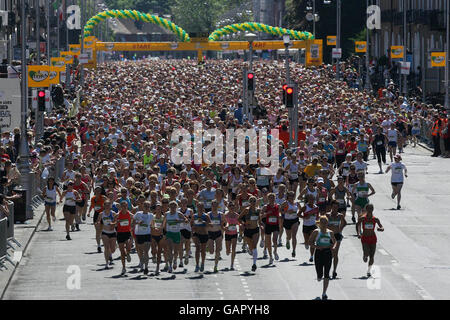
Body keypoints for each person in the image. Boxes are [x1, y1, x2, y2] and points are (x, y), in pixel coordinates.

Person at [308, 215, 337, 300]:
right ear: (319, 223)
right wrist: (317, 247)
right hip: (319, 253)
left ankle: (324, 293)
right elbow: (310, 242)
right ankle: (319, 276)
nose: (324, 224)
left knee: (327, 273)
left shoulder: (330, 232)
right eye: (322, 222)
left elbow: (334, 242)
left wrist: (334, 246)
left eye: (325, 222)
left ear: (327, 223)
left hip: (328, 253)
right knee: (320, 275)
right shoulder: (316, 232)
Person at [356, 204, 384, 277]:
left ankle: (368, 271)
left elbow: (382, 227)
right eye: (368, 209)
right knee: (366, 254)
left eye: (371, 209)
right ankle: (365, 255)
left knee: (372, 256)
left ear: (373, 209)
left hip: (373, 238)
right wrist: (358, 233)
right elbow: (357, 225)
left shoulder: (375, 219)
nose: (370, 210)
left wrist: (381, 229)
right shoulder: (362, 218)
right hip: (365, 238)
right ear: (366, 209)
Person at [164, 201, 188, 273]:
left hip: (177, 233)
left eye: (174, 206)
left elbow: (186, 220)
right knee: (169, 250)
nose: (173, 208)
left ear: (176, 207)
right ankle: (170, 266)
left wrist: (180, 221)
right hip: (169, 233)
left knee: (176, 251)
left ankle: (175, 260)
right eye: (171, 206)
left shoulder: (179, 214)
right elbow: (164, 223)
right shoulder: (166, 214)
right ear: (169, 207)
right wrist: (164, 231)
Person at [238, 196, 261, 271]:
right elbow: (239, 218)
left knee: (254, 246)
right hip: (247, 230)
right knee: (251, 247)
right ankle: (249, 248)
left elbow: (259, 221)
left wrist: (262, 225)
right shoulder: (246, 210)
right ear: (249, 202)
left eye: (254, 201)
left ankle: (254, 264)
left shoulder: (258, 210)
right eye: (251, 201)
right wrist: (244, 224)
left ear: (256, 202)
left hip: (255, 230)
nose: (253, 202)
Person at [326, 200, 347, 279]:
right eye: (333, 207)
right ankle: (327, 269)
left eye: (336, 207)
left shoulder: (340, 215)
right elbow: (323, 224)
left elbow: (345, 223)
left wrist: (340, 229)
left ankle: (334, 271)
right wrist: (329, 227)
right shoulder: (327, 215)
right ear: (331, 207)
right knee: (330, 254)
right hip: (329, 236)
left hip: (337, 236)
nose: (335, 208)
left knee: (335, 253)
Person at [132, 201, 153, 274]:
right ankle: (141, 261)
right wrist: (138, 223)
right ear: (142, 207)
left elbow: (153, 224)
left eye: (148, 206)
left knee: (146, 251)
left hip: (147, 234)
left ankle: (146, 267)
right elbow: (132, 223)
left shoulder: (151, 215)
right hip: (139, 234)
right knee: (140, 251)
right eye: (145, 206)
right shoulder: (138, 214)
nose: (147, 208)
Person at [96, 200, 117, 269]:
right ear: (104, 206)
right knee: (106, 247)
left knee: (113, 249)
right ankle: (106, 263)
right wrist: (98, 223)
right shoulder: (101, 214)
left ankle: (110, 253)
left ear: (111, 206)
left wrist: (113, 224)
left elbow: (116, 223)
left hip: (113, 232)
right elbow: (98, 221)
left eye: (109, 205)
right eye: (106, 205)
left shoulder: (113, 213)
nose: (107, 206)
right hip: (105, 232)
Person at [191, 202, 212, 272]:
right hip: (196, 234)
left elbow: (211, 225)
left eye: (201, 207)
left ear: (203, 208)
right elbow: (191, 225)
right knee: (197, 248)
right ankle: (197, 265)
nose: (200, 209)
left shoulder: (206, 216)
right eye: (198, 207)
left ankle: (202, 263)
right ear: (197, 208)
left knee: (203, 250)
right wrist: (193, 228)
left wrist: (204, 222)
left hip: (204, 234)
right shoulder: (194, 216)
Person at [261, 193, 281, 265]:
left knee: (275, 240)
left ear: (275, 198)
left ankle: (275, 251)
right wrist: (266, 213)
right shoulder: (265, 207)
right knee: (268, 242)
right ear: (268, 199)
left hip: (275, 225)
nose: (272, 199)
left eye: (273, 198)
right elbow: (260, 215)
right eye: (270, 198)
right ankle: (270, 257)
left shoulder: (278, 206)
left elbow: (281, 213)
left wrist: (280, 216)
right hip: (268, 225)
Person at [115, 200, 133, 275]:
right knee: (122, 252)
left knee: (128, 245)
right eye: (123, 206)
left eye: (126, 206)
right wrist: (116, 222)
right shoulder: (117, 215)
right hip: (120, 233)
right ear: (121, 207)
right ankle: (124, 267)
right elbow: (114, 223)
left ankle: (128, 253)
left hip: (127, 232)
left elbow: (135, 220)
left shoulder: (130, 214)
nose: (125, 207)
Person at [299, 194, 319, 262]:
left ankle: (311, 256)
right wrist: (304, 217)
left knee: (312, 241)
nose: (312, 201)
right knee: (307, 241)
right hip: (306, 226)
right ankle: (306, 243)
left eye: (313, 199)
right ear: (308, 200)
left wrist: (318, 221)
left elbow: (317, 217)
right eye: (310, 199)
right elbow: (298, 214)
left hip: (313, 225)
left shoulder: (316, 207)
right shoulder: (305, 207)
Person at [280, 191, 300, 257]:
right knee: (289, 236)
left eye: (292, 195)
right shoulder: (285, 203)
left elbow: (301, 210)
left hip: (295, 220)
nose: (291, 197)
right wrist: (287, 211)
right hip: (287, 221)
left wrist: (299, 214)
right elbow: (280, 210)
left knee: (294, 235)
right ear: (287, 197)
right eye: (290, 196)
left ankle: (294, 250)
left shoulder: (297, 203)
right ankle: (287, 240)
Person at [207, 200, 225, 273]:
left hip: (218, 233)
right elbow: (206, 224)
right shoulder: (208, 214)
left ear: (218, 206)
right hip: (210, 233)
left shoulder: (221, 215)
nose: (214, 207)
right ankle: (208, 247)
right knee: (211, 252)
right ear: (211, 206)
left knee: (217, 250)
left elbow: (224, 224)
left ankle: (216, 265)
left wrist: (223, 232)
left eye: (215, 206)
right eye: (213, 205)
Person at [88, 186, 107, 252]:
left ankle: (104, 243)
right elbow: (92, 205)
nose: (98, 192)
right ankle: (99, 246)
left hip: (103, 215)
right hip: (96, 215)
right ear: (95, 191)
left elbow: (108, 204)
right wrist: (89, 212)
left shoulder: (104, 198)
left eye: (99, 191)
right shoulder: (93, 198)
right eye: (97, 190)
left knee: (103, 231)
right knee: (98, 231)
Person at [150, 203, 165, 275]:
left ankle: (158, 268)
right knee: (153, 250)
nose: (158, 210)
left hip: (160, 235)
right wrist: (154, 228)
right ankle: (153, 255)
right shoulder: (152, 217)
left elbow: (164, 226)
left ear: (161, 209)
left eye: (160, 209)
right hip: (153, 235)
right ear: (155, 209)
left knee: (159, 252)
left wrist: (160, 229)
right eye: (157, 209)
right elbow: (151, 225)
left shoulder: (163, 217)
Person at [224, 201, 239, 270]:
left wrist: (241, 225)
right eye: (230, 206)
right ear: (228, 207)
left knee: (234, 249)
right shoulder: (225, 215)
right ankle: (227, 250)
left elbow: (239, 223)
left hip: (234, 233)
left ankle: (232, 264)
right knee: (227, 251)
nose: (232, 207)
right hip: (227, 234)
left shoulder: (237, 215)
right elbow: (223, 224)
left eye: (233, 206)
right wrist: (225, 228)